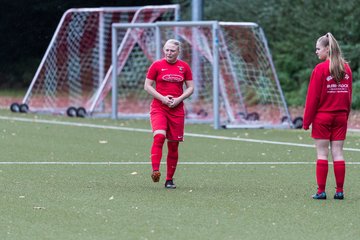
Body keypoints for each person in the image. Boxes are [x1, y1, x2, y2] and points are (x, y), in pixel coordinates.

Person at [303, 32, 352, 200]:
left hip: (323, 118)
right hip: (340, 117)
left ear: (326, 49)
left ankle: (321, 191)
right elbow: (348, 96)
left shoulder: (320, 69)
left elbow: (313, 98)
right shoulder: (346, 68)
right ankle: (339, 191)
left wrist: (306, 121)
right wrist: (345, 115)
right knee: (338, 152)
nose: (316, 52)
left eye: (318, 49)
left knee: (322, 154)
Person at [144, 39, 194, 189]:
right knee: (159, 136)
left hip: (177, 110)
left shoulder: (184, 67)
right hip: (159, 107)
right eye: (166, 50)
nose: (169, 53)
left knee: (173, 146)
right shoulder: (157, 65)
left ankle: (169, 179)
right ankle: (155, 171)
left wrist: (178, 99)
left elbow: (190, 87)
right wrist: (163, 99)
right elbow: (147, 86)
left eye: (172, 50)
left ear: (178, 52)